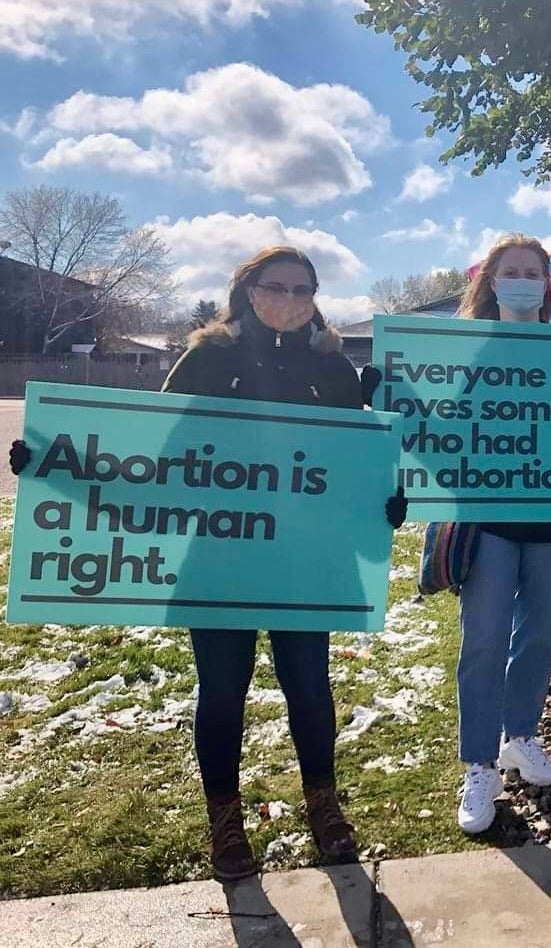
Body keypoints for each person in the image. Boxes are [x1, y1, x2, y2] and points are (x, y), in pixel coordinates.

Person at [5, 246, 409, 882]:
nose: (290, 300)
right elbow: (155, 455)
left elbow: (353, 468)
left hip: (304, 560)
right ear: (247, 290)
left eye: (303, 290)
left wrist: (382, 505)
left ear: (315, 296)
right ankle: (225, 819)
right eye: (276, 287)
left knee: (309, 686)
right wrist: (55, 465)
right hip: (216, 554)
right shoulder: (209, 356)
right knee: (223, 689)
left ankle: (324, 806)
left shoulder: (333, 371)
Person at [451, 234, 551, 836]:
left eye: (533, 271)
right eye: (511, 271)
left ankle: (521, 736)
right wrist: (395, 392)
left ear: (547, 283)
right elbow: (440, 426)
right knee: (483, 639)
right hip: (489, 519)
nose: (523, 279)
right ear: (490, 282)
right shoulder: (463, 352)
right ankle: (479, 763)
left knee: (536, 637)